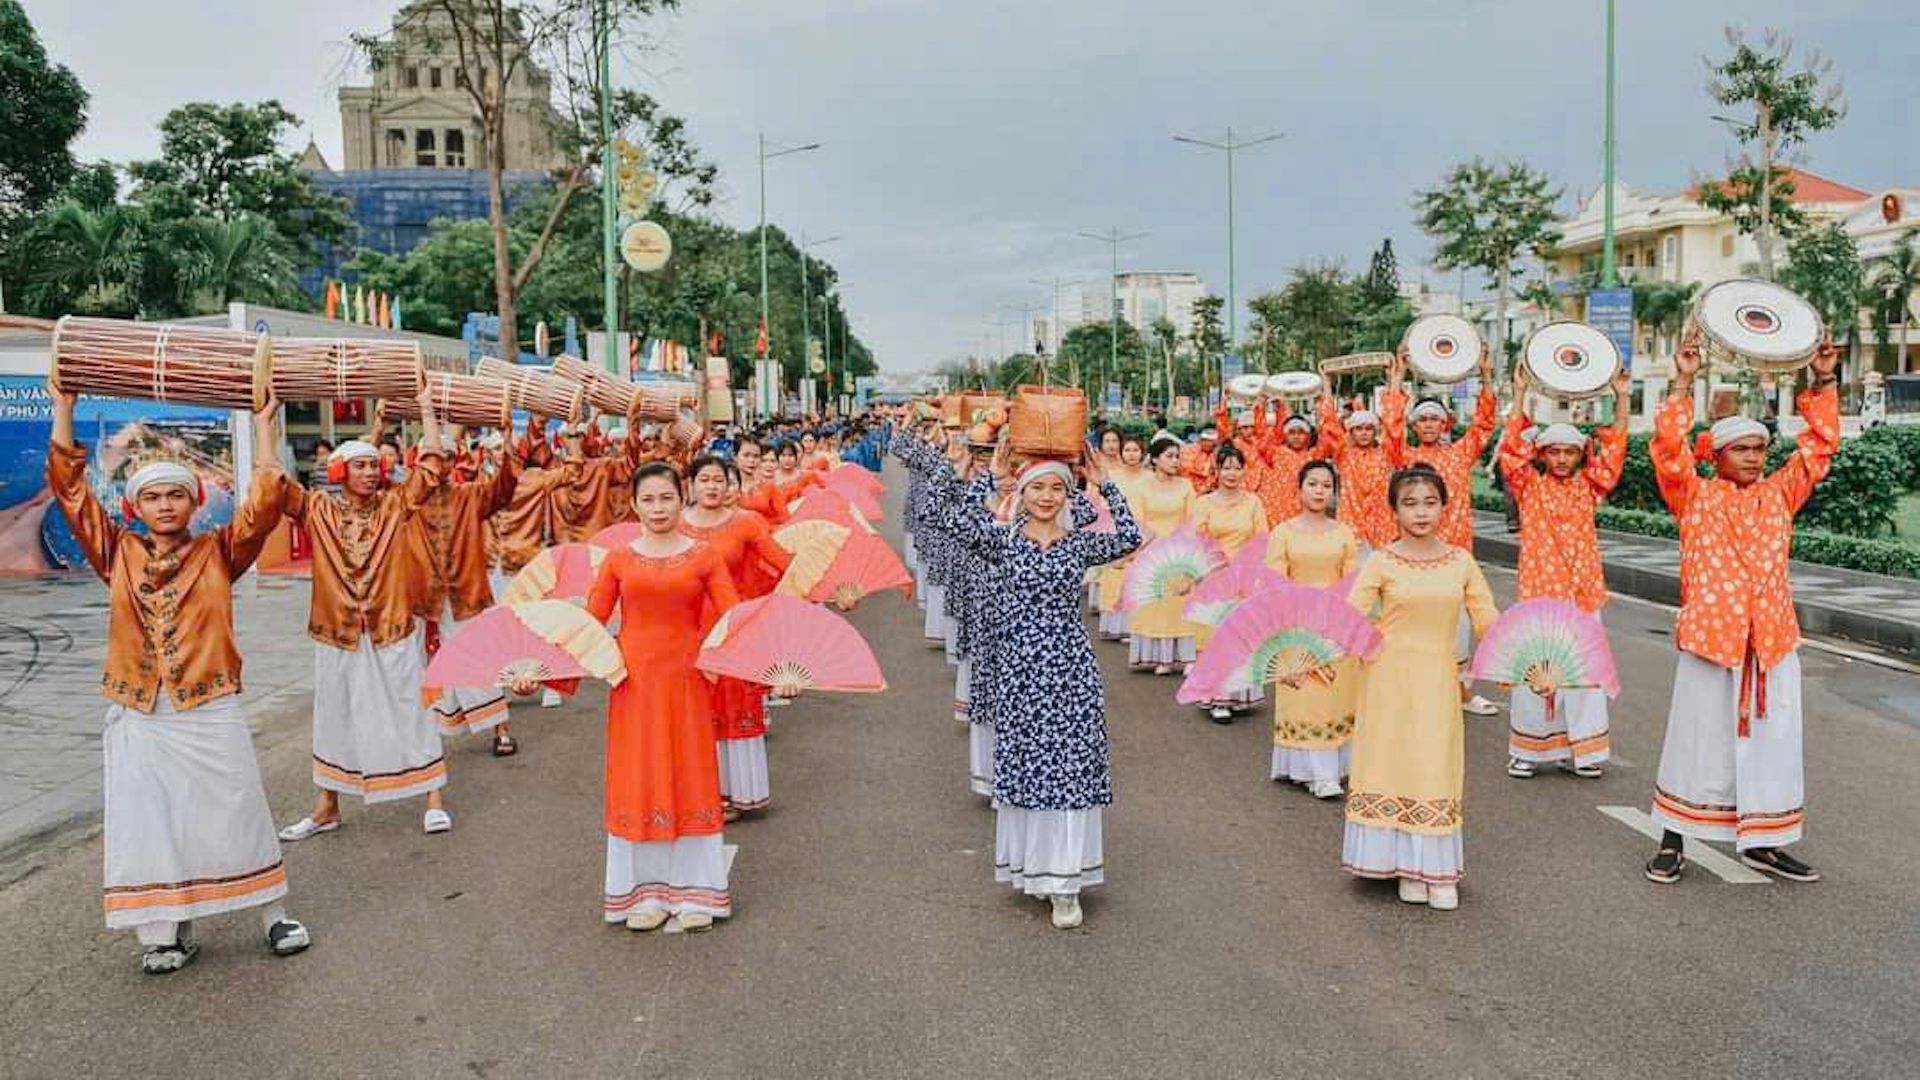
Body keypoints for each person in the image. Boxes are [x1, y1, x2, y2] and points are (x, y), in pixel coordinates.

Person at [48, 387, 310, 975]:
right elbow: (69, 490)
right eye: (153, 497)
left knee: (237, 803)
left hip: (209, 702)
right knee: (152, 818)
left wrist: (265, 426)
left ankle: (274, 916)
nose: (165, 505)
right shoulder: (115, 551)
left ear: (194, 504)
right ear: (135, 507)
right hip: (141, 709)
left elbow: (265, 502)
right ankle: (167, 932)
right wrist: (62, 404)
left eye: (175, 495)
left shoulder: (220, 552)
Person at [1642, 330, 1840, 885]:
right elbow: (1667, 450)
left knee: (1775, 746)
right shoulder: (1695, 495)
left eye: (1759, 449)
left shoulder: (1782, 492)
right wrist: (1683, 380)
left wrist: (1823, 379)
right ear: (1719, 455)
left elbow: (1819, 447)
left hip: (1772, 641)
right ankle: (1673, 840)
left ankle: (1766, 844)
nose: (1753, 458)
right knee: (1696, 741)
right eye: (1742, 450)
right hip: (1711, 642)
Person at [936, 441, 1142, 929]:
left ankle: (1067, 883)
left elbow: (1131, 536)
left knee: (1072, 767)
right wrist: (992, 475)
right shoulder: (1003, 540)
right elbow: (944, 516)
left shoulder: (1081, 543)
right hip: (1020, 669)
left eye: (1056, 488)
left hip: (1071, 668)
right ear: (1023, 493)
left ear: (1069, 494)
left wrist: (1106, 481)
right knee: (1031, 766)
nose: (1047, 497)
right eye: (1037, 488)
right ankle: (1036, 870)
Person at [278, 386, 454, 840]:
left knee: (411, 707)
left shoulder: (395, 505)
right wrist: (264, 421)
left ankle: (434, 799)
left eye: (375, 465)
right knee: (334, 714)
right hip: (337, 632)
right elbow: (272, 486)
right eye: (360, 465)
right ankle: (326, 808)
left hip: (394, 626)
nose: (371, 472)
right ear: (338, 472)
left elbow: (432, 464)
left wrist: (427, 407)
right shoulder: (316, 509)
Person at [582, 462, 742, 930]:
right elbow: (591, 623)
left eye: (666, 498)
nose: (657, 508)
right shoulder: (618, 558)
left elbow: (735, 620)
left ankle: (697, 894)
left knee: (688, 771)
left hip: (690, 678)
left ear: (683, 497)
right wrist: (543, 668)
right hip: (633, 683)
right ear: (634, 504)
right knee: (640, 775)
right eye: (648, 499)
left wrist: (751, 666)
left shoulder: (705, 556)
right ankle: (643, 894)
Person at [1343, 466, 1498, 910]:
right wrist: (1318, 656)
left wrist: (1523, 663)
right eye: (1410, 503)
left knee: (1433, 763)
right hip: (1386, 676)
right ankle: (1402, 866)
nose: (1421, 512)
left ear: (1445, 506)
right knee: (1391, 761)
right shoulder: (1381, 560)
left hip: (1437, 677)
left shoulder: (1461, 561)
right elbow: (1350, 616)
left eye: (1430, 502)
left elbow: (1487, 618)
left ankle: (1434, 868)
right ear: (1394, 510)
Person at [1496, 366, 1630, 780]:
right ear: (1542, 455)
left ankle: (1586, 751)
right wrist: (1519, 393)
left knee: (1586, 673)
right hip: (1539, 594)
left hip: (1584, 594)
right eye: (1553, 452)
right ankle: (1528, 750)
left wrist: (1623, 396)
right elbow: (1510, 451)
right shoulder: (1528, 486)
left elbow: (1617, 449)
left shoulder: (1591, 485)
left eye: (1568, 452)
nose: (1560, 459)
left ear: (1579, 456)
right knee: (1535, 671)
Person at [1382, 345, 1502, 718]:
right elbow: (1391, 425)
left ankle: (1464, 693)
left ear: (1445, 423)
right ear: (1416, 426)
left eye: (1435, 419)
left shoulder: (1460, 453)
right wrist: (1398, 376)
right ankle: (1411, 690)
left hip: (1455, 551)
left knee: (1463, 623)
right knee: (1414, 622)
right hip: (1413, 554)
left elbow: (1485, 424)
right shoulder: (1405, 456)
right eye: (1423, 420)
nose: (1429, 425)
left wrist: (1485, 374)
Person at [679, 455, 792, 819]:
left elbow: (784, 565)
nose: (711, 486)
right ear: (691, 485)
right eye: (704, 479)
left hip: (735, 628)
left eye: (719, 480)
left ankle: (737, 791)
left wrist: (826, 585)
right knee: (695, 711)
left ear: (730, 485)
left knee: (734, 706)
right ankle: (702, 792)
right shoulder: (675, 525)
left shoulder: (747, 523)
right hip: (687, 631)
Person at [1265, 460, 1362, 797]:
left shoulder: (1344, 532)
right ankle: (1316, 773)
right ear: (1300, 488)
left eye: (1326, 485)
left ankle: (1334, 767)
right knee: (1306, 698)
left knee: (1335, 697)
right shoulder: (1283, 533)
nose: (1320, 491)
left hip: (1335, 624)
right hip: (1296, 624)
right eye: (1313, 484)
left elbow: (1353, 582)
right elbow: (1275, 583)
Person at [1191, 442, 1270, 721]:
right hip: (1214, 576)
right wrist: (1216, 562)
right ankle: (1217, 696)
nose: (1232, 473)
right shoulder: (1203, 503)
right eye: (1226, 468)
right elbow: (1198, 538)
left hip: (1245, 578)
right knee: (1216, 637)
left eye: (1237, 468)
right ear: (1217, 470)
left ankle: (1240, 693)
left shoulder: (1253, 502)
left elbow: (1262, 538)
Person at [1126, 432, 1199, 674]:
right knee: (1155, 606)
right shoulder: (1140, 487)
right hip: (1151, 551)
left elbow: (1192, 521)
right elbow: (1137, 520)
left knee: (1180, 605)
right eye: (1170, 456)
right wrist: (1150, 547)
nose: (1175, 461)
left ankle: (1183, 656)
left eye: (1178, 456)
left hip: (1179, 552)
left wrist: (1183, 548)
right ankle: (1159, 657)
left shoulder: (1186, 486)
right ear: (1155, 459)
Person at [1091, 433, 1148, 641]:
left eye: (1136, 450)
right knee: (1117, 578)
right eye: (1128, 450)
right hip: (1118, 531)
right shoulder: (1112, 476)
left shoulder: (1150, 477)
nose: (1132, 455)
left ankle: (1138, 625)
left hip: (1145, 533)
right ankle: (1117, 625)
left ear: (1143, 453)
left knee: (1138, 580)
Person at [1321, 399, 1396, 550]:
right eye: (1358, 429)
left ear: (1376, 431)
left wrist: (1395, 381)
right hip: (1351, 527)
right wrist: (1327, 385)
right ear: (1351, 432)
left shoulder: (1386, 453)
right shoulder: (1344, 455)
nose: (1363, 433)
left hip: (1382, 526)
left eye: (1369, 428)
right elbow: (1330, 425)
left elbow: (1393, 424)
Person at [1253, 397, 1335, 525]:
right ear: (1285, 435)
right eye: (1292, 432)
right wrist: (1262, 402)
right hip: (1275, 518)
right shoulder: (1275, 453)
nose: (1296, 436)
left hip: (1305, 519)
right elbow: (1261, 434)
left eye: (1301, 432)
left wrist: (1321, 405)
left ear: (1307, 436)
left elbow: (1328, 435)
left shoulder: (1313, 457)